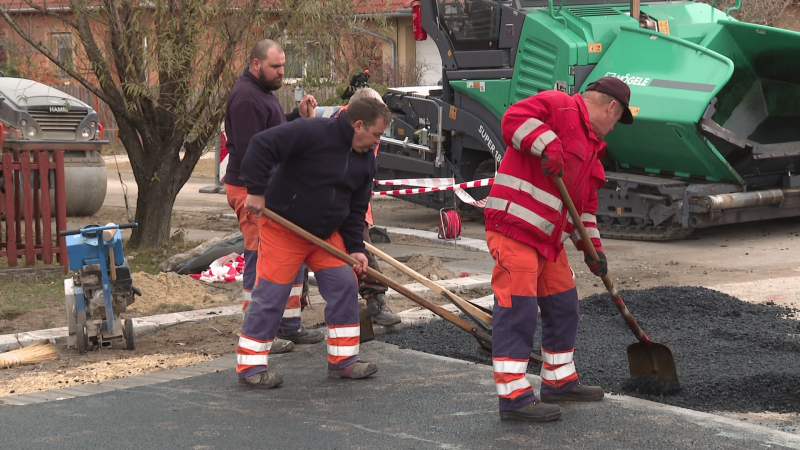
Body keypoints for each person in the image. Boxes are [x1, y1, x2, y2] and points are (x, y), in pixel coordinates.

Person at [484, 77, 634, 422]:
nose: (614, 127)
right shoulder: (559, 105)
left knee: (564, 304)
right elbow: (512, 120)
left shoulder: (594, 153)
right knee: (517, 309)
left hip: (548, 242)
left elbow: (585, 212)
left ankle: (558, 379)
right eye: (617, 118)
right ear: (611, 107)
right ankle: (513, 396)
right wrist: (547, 143)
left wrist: (593, 251)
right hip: (515, 230)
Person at [236, 97, 393, 388]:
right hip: (284, 228)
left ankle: (343, 361)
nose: (376, 142)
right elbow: (261, 145)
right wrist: (256, 191)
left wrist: (356, 248)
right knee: (272, 295)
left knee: (344, 286)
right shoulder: (312, 132)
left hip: (325, 235)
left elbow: (356, 208)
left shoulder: (366, 160)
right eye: (376, 134)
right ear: (358, 125)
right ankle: (250, 366)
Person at [223, 39, 323, 352]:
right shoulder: (247, 100)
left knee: (288, 253)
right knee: (261, 257)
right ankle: (257, 333)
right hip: (253, 191)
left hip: (271, 189)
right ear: (256, 64)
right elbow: (255, 151)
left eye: (283, 66)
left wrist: (296, 116)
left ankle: (288, 324)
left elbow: (274, 134)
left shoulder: (262, 94)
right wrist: (264, 192)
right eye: (275, 67)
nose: (282, 72)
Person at [315, 87, 401, 327]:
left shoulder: (369, 128)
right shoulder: (342, 126)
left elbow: (363, 172)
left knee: (362, 250)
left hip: (355, 204)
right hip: (322, 206)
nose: (377, 138)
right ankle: (290, 316)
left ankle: (376, 300)